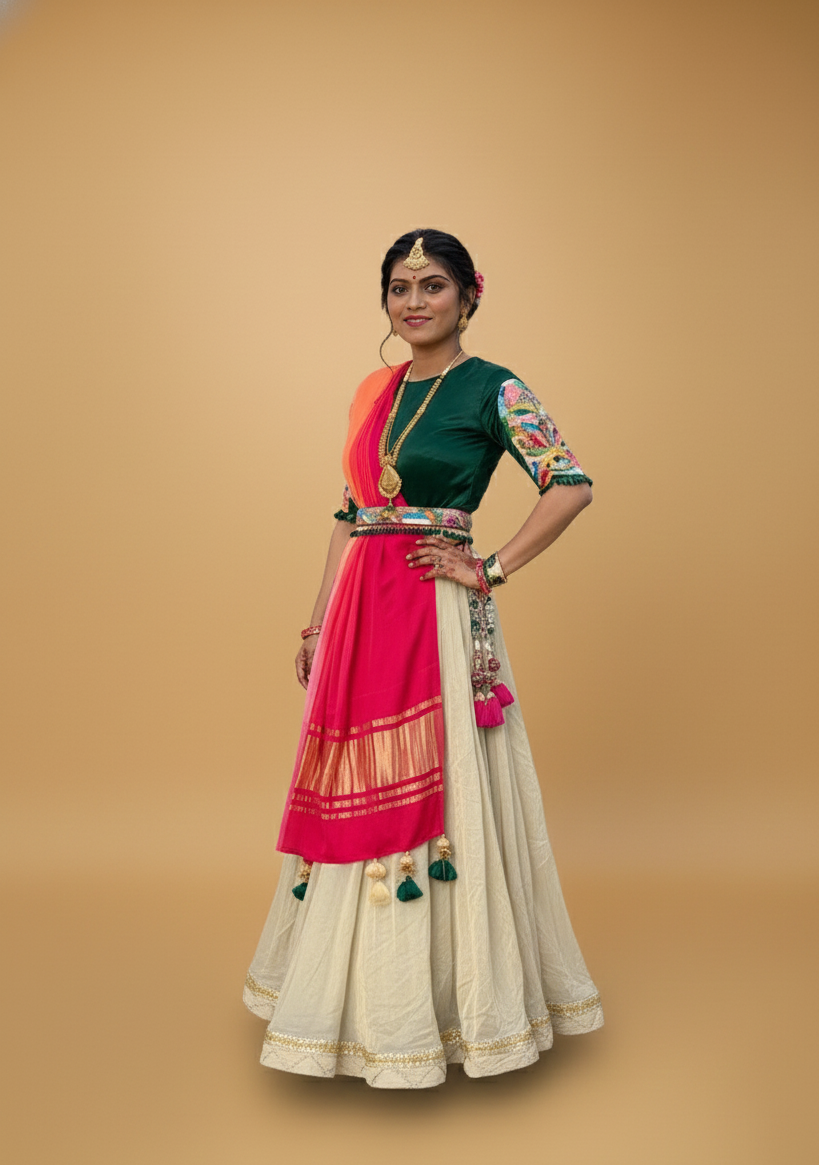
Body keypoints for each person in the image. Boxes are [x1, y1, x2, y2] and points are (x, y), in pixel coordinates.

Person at [243, 228, 604, 1089]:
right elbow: (349, 511)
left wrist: (490, 566)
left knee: (444, 788)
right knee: (352, 783)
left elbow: (571, 482)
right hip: (364, 606)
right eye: (399, 286)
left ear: (467, 296)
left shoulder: (495, 388)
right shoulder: (376, 389)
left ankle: (443, 1012)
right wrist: (318, 617)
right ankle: (351, 1002)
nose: (414, 301)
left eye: (432, 285)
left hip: (435, 610)